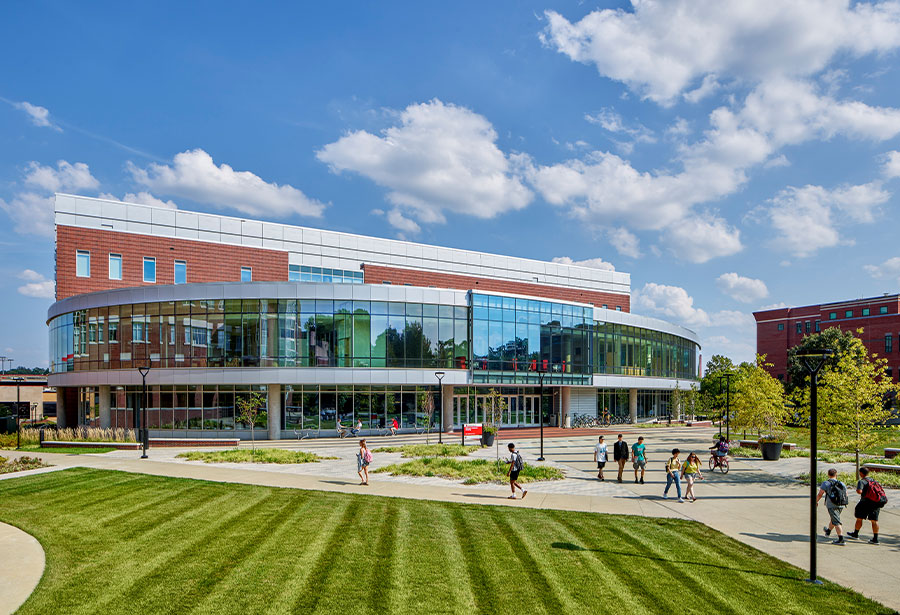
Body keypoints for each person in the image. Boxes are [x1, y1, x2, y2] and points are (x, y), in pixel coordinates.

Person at [847, 467, 886, 544]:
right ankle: (875, 539)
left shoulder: (862, 481)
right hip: (876, 502)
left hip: (865, 502)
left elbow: (859, 491)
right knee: (874, 520)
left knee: (859, 518)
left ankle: (855, 534)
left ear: (861, 473)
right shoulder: (874, 481)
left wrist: (859, 491)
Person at [817, 468, 848, 545]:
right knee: (834, 518)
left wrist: (816, 501)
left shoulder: (826, 483)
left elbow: (820, 494)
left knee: (836, 521)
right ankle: (828, 531)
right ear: (836, 474)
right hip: (841, 504)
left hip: (831, 505)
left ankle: (841, 539)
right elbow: (846, 494)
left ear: (828, 474)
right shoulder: (842, 483)